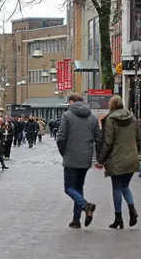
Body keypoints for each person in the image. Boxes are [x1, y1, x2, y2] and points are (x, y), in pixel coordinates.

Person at [95, 95, 141, 229]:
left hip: (116, 159)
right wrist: (134, 152)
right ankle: (132, 210)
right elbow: (139, 139)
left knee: (117, 187)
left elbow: (108, 142)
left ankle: (118, 218)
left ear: (112, 105)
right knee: (125, 186)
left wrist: (101, 160)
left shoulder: (111, 120)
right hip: (131, 158)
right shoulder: (133, 118)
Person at [57, 93, 102, 229]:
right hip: (86, 157)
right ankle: (76, 220)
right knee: (78, 187)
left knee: (69, 188)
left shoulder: (67, 116)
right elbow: (99, 138)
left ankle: (85, 205)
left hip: (71, 155)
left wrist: (63, 152)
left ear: (71, 102)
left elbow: (61, 137)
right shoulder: (93, 117)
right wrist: (99, 157)